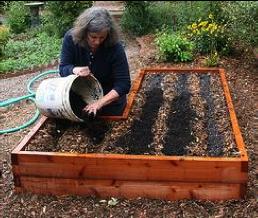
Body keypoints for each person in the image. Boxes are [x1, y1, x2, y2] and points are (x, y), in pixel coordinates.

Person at [59, 6, 131, 117]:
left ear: (109, 33)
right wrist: (74, 69)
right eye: (93, 37)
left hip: (109, 99)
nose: (97, 41)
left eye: (102, 37)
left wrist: (99, 103)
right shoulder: (71, 39)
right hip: (80, 93)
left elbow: (123, 84)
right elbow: (63, 69)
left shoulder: (115, 47)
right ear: (84, 32)